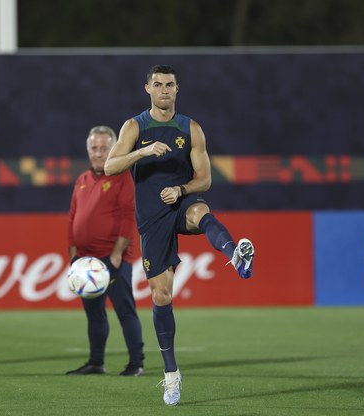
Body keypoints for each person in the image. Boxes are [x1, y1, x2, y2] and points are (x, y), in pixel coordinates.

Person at [104, 65, 255, 406]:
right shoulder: (134, 126)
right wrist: (142, 152)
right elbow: (110, 166)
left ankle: (235, 255)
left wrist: (180, 188)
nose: (164, 90)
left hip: (181, 201)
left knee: (200, 212)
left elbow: (205, 179)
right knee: (161, 296)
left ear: (178, 88)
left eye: (169, 85)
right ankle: (172, 375)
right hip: (151, 219)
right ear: (147, 89)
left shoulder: (191, 128)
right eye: (158, 85)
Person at [66, 125, 145, 377]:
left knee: (124, 309)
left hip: (113, 258)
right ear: (88, 150)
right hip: (86, 260)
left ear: (114, 149)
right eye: (94, 148)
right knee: (94, 314)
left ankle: (136, 362)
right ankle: (96, 362)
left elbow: (127, 216)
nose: (99, 154)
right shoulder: (82, 180)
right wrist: (73, 253)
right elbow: (73, 217)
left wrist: (117, 253)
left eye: (104, 148)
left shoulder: (121, 176)